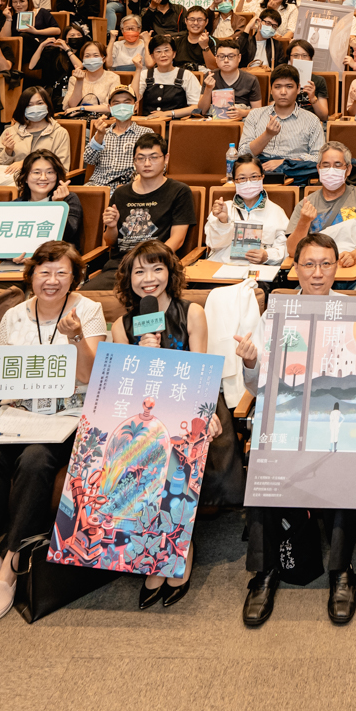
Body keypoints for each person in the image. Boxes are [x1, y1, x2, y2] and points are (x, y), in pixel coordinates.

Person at [0, 241, 106, 628]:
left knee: (36, 463)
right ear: (31, 275)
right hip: (18, 412)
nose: (51, 281)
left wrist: (74, 337)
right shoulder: (14, 316)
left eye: (61, 273)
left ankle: (10, 567)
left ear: (75, 277)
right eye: (44, 272)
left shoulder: (89, 311)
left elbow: (90, 376)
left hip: (65, 416)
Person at [235, 233, 356, 626]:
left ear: (338, 267)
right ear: (295, 267)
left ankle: (342, 570)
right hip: (285, 414)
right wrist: (250, 363)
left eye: (326, 264)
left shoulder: (353, 313)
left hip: (336, 415)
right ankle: (264, 572)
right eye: (309, 264)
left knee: (349, 453)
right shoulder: (276, 313)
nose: (317, 273)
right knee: (266, 456)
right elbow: (256, 386)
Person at [103, 240, 210, 607]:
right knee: (136, 452)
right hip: (145, 411)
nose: (149, 279)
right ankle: (151, 548)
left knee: (177, 458)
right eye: (139, 271)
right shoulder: (122, 324)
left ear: (170, 273)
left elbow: (201, 373)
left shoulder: (191, 312)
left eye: (157, 269)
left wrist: (163, 357)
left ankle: (181, 546)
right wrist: (142, 356)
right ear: (128, 279)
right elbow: (123, 386)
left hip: (186, 408)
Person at [286, 142, 356, 289]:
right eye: (326, 165)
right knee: (299, 302)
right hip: (317, 274)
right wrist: (304, 221)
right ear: (318, 169)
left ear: (348, 169)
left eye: (338, 165)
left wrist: (354, 255)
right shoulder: (306, 204)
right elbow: (293, 251)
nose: (331, 170)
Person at [98, 137, 195, 284]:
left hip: (156, 265)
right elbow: (111, 241)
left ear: (166, 158)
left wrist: (146, 262)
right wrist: (111, 226)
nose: (147, 164)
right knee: (87, 298)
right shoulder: (120, 193)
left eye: (154, 157)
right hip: (120, 267)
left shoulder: (179, 191)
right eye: (141, 158)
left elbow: (177, 240)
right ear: (134, 161)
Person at [242, 63, 327, 185]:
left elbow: (318, 157)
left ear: (298, 89)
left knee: (324, 165)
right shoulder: (255, 115)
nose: (283, 92)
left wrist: (285, 162)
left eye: (289, 86)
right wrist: (267, 135)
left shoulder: (312, 120)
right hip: (260, 174)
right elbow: (243, 155)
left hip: (295, 173)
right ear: (271, 89)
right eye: (277, 87)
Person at [205, 154, 290, 266]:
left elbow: (285, 248)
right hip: (222, 268)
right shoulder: (223, 209)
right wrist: (223, 222)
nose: (248, 182)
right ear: (234, 181)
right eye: (242, 178)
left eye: (254, 177)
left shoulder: (276, 211)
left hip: (258, 271)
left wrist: (267, 255)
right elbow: (213, 244)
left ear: (262, 177)